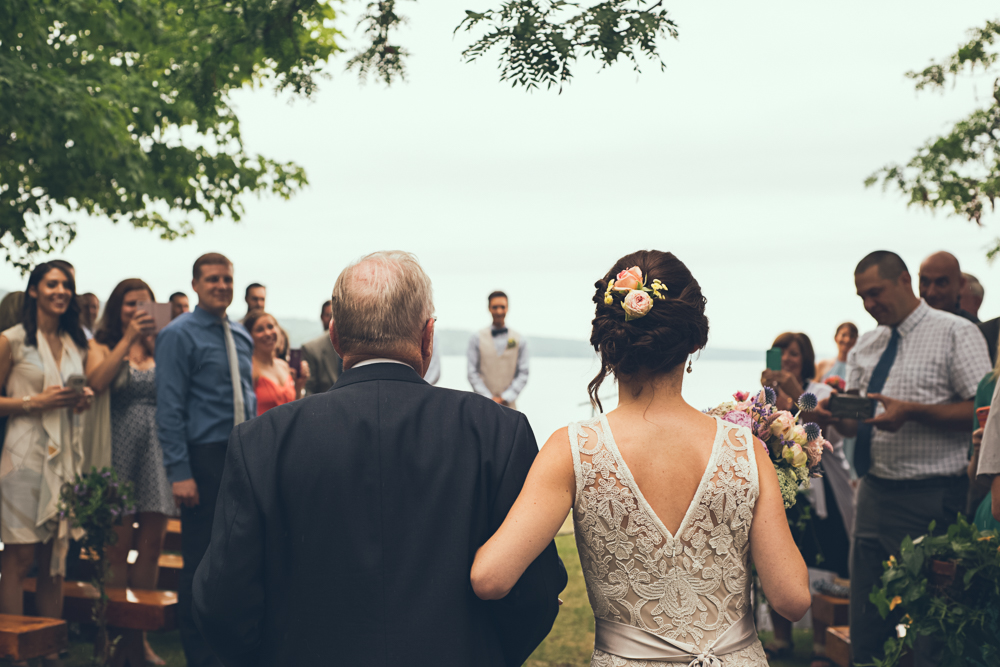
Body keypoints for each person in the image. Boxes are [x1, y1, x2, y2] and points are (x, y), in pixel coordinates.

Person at [192, 250, 566, 666]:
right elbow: (535, 594)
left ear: (334, 337)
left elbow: (222, 599)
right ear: (428, 336)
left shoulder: (262, 440)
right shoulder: (499, 431)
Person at [470, 250, 810, 667]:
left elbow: (490, 578)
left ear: (607, 342)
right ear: (696, 342)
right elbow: (792, 599)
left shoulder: (572, 449)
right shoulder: (747, 451)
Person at [822, 250, 990, 667]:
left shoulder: (955, 332)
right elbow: (856, 422)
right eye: (862, 296)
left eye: (876, 292)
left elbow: (982, 412)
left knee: (932, 632)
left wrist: (913, 411)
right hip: (874, 495)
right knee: (867, 624)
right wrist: (830, 415)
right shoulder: (868, 342)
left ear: (904, 282)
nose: (869, 304)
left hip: (934, 499)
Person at [156, 253, 254, 667]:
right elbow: (169, 407)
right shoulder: (179, 335)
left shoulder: (241, 336)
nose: (222, 285)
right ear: (195, 284)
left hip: (240, 455)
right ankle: (198, 653)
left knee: (238, 555)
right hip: (202, 458)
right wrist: (180, 473)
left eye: (227, 279)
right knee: (198, 559)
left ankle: (230, 646)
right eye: (212, 279)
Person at [0, 262, 93, 649]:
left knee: (56, 560)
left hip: (62, 458)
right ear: (34, 290)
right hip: (23, 457)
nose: (61, 290)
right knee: (20, 559)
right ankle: (14, 652)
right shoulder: (12, 340)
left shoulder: (75, 342)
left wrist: (80, 399)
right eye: (52, 284)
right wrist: (32, 401)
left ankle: (50, 651)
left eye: (66, 284)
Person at [86, 279, 174, 667]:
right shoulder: (102, 344)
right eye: (129, 304)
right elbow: (96, 381)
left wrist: (156, 345)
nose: (137, 310)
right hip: (117, 447)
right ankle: (111, 635)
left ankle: (137, 642)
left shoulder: (162, 346)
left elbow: (175, 391)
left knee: (152, 547)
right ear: (117, 308)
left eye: (144, 304)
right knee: (116, 548)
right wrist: (128, 340)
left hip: (157, 450)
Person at [761, 332, 854, 665]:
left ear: (807, 358)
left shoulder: (821, 391)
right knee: (776, 560)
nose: (786, 358)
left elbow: (829, 425)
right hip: (782, 491)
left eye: (794, 353)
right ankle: (781, 640)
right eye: (780, 352)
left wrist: (793, 388)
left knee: (822, 563)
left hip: (820, 491)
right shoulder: (766, 397)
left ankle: (820, 646)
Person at [468, 291, 529, 409]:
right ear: (489, 308)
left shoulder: (519, 340)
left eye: (502, 307)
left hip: (509, 407)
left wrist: (506, 397)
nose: (499, 311)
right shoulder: (476, 338)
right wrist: (488, 397)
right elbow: (472, 373)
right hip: (482, 405)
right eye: (495, 307)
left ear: (508, 308)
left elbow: (523, 373)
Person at [244, 310, 309, 415]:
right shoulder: (250, 369)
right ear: (249, 336)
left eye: (270, 327)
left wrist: (299, 386)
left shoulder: (283, 366)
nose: (268, 333)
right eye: (260, 330)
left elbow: (293, 408)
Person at [918, 251, 979, 323]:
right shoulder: (906, 327)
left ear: (961, 284)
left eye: (941, 283)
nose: (931, 293)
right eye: (925, 283)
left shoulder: (972, 329)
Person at [301, 299, 342, 395]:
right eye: (329, 315)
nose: (333, 320)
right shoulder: (312, 348)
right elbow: (309, 390)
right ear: (322, 317)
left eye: (336, 316)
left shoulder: (358, 343)